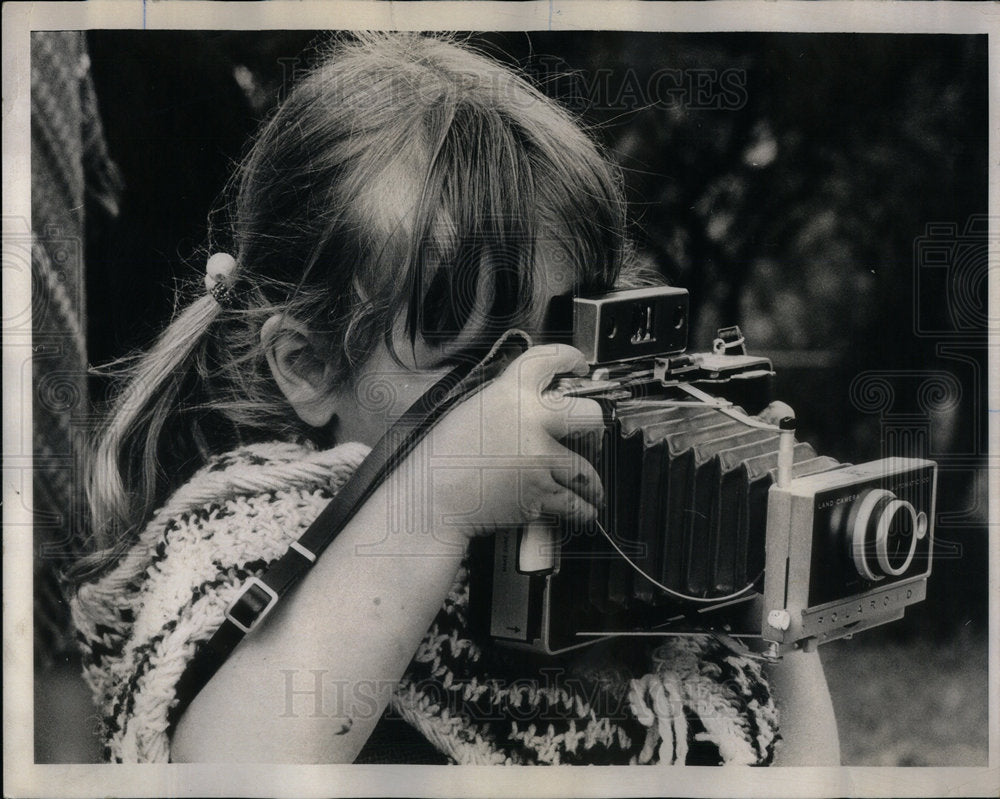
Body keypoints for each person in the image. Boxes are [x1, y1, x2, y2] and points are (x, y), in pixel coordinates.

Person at [69, 32, 839, 765]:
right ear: (309, 365)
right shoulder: (251, 541)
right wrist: (436, 502)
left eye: (569, 348)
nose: (530, 402)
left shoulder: (625, 558)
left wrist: (762, 596)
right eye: (480, 363)